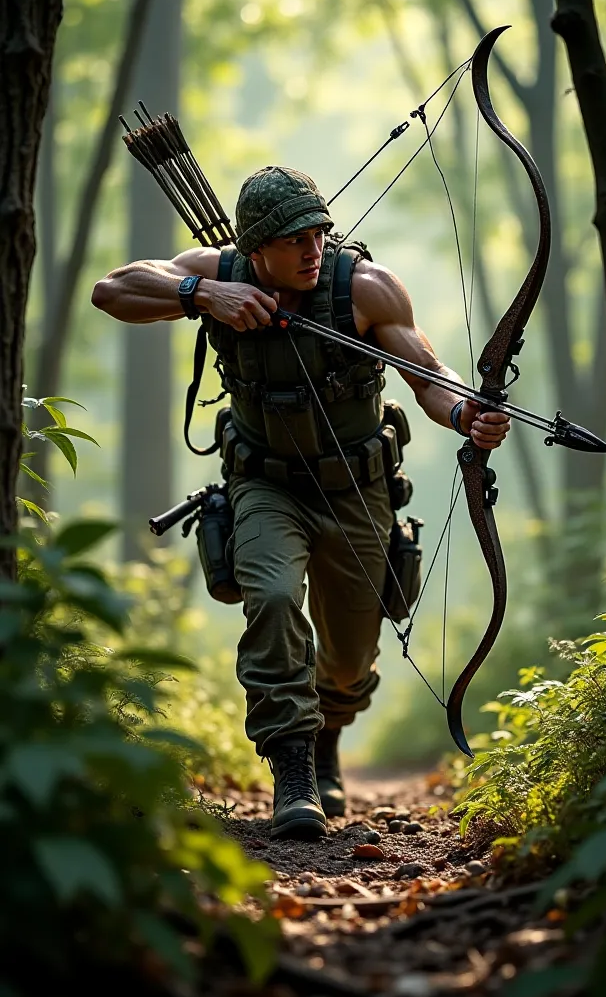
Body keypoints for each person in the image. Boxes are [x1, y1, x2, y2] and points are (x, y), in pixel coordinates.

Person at [92, 166, 510, 840]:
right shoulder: (220, 272)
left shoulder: (364, 289)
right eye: (293, 240)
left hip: (357, 491)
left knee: (348, 662)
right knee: (276, 597)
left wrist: (467, 414)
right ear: (257, 248)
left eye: (318, 232)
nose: (312, 248)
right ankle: (292, 769)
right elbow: (112, 289)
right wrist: (203, 295)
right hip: (265, 485)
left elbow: (430, 377)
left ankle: (326, 740)